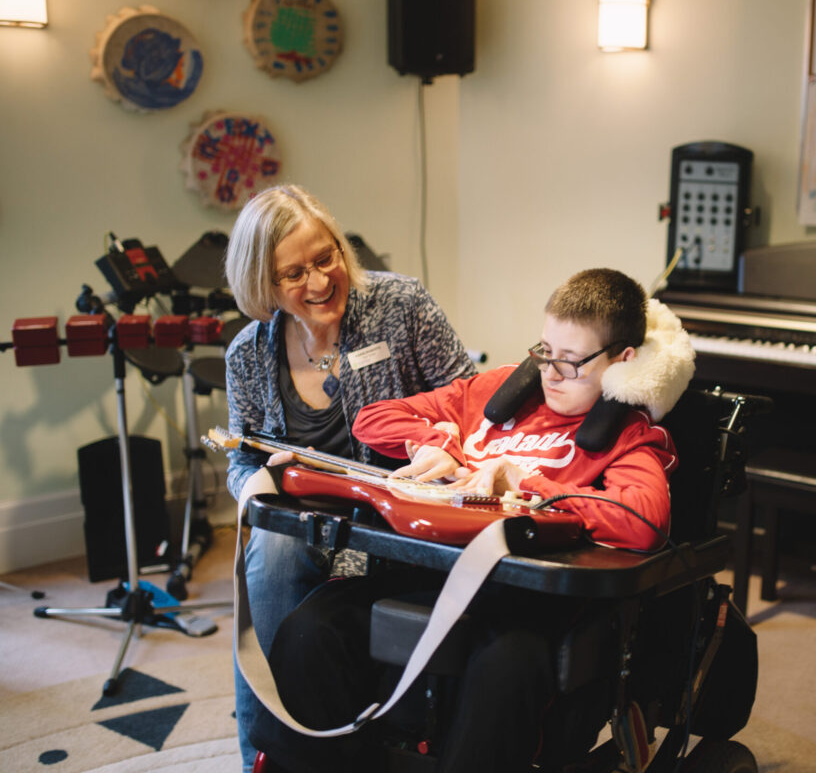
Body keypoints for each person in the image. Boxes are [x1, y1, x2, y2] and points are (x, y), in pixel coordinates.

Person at [254, 268, 697, 773]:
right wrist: (439, 444)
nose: (551, 372)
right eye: (545, 351)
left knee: (502, 670)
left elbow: (641, 520)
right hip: (432, 576)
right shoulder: (497, 394)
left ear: (622, 362)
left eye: (572, 362)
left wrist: (528, 484)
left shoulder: (625, 434)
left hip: (521, 603)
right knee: (312, 628)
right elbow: (372, 418)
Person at [222, 183, 477, 772]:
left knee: (278, 565)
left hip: (400, 517)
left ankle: (297, 748)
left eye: (325, 258)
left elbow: (472, 402)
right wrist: (260, 484)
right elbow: (240, 460)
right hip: (308, 521)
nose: (317, 282)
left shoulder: (401, 306)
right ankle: (271, 753)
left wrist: (444, 450)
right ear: (263, 285)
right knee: (273, 550)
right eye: (292, 274)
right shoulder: (246, 354)